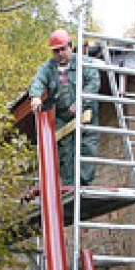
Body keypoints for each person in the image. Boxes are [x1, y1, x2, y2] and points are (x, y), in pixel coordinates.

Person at [29, 29, 101, 187]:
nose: (60, 53)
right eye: (56, 50)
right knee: (65, 151)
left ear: (70, 46)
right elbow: (38, 81)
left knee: (87, 146)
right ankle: (69, 185)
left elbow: (94, 81)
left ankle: (83, 184)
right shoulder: (48, 68)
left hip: (85, 112)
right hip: (63, 116)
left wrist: (82, 101)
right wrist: (35, 96)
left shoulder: (83, 63)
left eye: (63, 49)